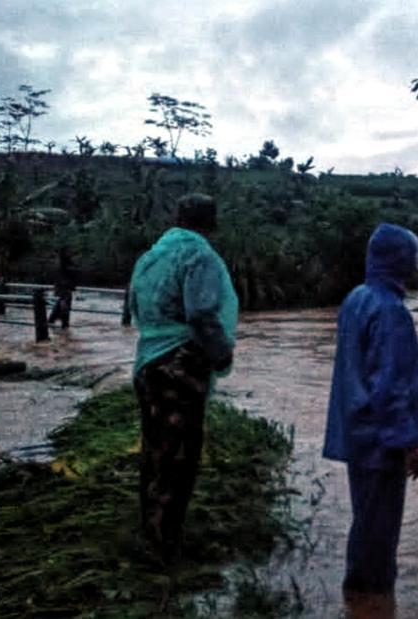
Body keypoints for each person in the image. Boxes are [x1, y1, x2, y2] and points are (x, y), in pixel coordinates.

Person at [128, 193, 238, 561]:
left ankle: (152, 532)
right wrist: (222, 355)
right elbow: (202, 314)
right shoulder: (200, 256)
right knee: (178, 457)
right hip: (180, 365)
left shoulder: (151, 256)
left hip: (147, 362)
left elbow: (135, 310)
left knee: (155, 450)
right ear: (211, 223)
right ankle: (165, 546)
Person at [323, 223, 418, 600]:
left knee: (365, 520)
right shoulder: (391, 311)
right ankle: (374, 600)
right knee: (380, 530)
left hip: (358, 432)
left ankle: (357, 599)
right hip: (380, 438)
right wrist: (410, 443)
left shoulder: (357, 298)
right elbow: (391, 386)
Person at [47, 248, 77, 328]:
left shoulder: (64, 264)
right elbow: (64, 276)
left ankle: (56, 323)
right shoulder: (63, 265)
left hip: (64, 288)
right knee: (63, 306)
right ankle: (63, 324)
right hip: (64, 288)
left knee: (61, 305)